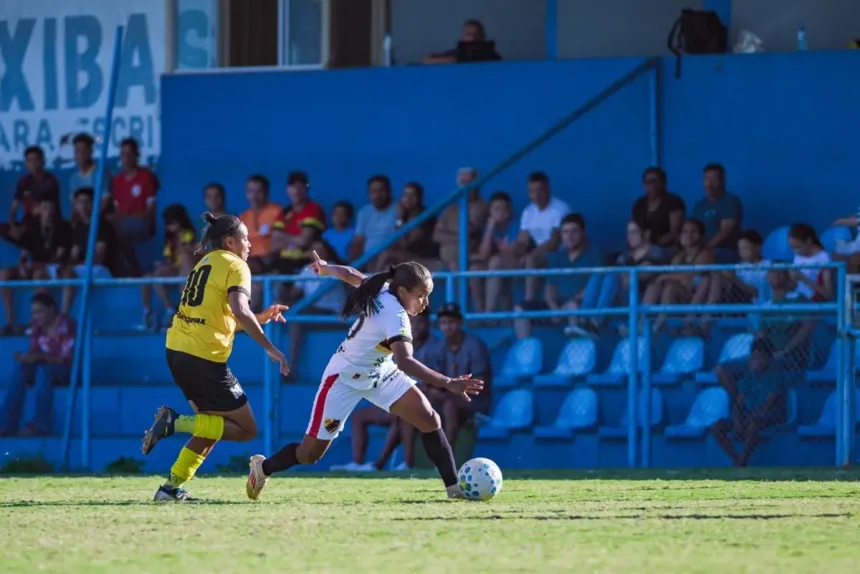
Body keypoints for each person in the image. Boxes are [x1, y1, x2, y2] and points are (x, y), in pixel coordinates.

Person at [246, 253, 483, 500]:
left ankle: (453, 489)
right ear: (402, 291)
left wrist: (328, 269)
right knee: (309, 454)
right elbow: (406, 362)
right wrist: (449, 383)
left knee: (430, 419)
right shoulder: (396, 316)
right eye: (421, 296)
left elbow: (351, 275)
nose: (425, 303)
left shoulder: (384, 287)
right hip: (343, 378)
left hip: (380, 371)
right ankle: (262, 468)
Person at [140, 212, 290, 502]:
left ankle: (169, 489)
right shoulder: (236, 265)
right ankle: (175, 422)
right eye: (245, 238)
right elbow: (239, 310)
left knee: (210, 426)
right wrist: (271, 348)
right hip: (203, 358)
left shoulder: (205, 263)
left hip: (178, 350)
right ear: (230, 241)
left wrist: (259, 318)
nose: (249, 244)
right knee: (246, 429)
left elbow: (224, 318)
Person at [0, 293, 74, 436]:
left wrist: (40, 357)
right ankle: (6, 425)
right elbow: (35, 351)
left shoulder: (67, 325)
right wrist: (27, 357)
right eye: (33, 313)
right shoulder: (36, 326)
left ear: (52, 309)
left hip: (67, 370)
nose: (36, 316)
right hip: (43, 365)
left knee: (44, 371)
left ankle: (41, 426)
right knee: (20, 369)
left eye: (39, 312)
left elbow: (67, 359)